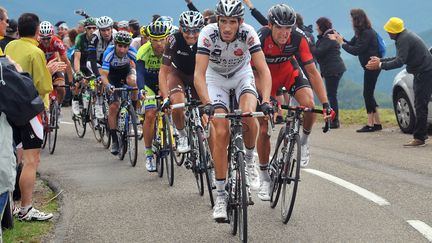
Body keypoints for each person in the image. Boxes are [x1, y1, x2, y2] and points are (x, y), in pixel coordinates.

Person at [194, 0, 272, 221]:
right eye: (223, 21)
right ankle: (220, 195)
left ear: (241, 22)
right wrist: (206, 102)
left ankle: (248, 159)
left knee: (249, 113)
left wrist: (265, 100)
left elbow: (263, 70)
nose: (227, 28)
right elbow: (199, 74)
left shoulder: (248, 34)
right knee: (220, 131)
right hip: (215, 78)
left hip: (241, 75)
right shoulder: (208, 34)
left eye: (232, 22)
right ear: (217, 20)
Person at [254, 4, 334, 200]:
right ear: (270, 25)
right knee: (263, 128)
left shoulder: (298, 37)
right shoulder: (260, 38)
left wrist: (325, 104)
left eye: (288, 28)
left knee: (308, 103)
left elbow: (313, 72)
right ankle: (264, 178)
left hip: (289, 73)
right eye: (280, 27)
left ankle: (304, 140)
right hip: (264, 80)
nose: (284, 33)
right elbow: (253, 73)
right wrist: (267, 100)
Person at [5, 12, 54, 221]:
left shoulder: (9, 47)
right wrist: (50, 70)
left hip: (8, 107)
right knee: (31, 160)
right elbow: (44, 86)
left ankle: (10, 206)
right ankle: (26, 208)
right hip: (31, 109)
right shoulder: (36, 51)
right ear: (36, 31)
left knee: (12, 156)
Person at [366, 17, 432, 147]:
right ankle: (421, 135)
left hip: (424, 73)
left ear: (394, 31)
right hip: (423, 72)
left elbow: (399, 62)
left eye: (389, 31)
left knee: (420, 105)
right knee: (420, 103)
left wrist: (379, 65)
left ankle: (419, 138)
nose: (388, 33)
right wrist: (381, 60)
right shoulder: (404, 36)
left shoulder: (403, 39)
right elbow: (400, 57)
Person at [159, 11, 205, 154]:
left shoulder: (206, 39)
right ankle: (182, 134)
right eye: (187, 30)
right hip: (177, 73)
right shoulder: (173, 39)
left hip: (198, 75)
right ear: (180, 28)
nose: (191, 34)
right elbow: (163, 71)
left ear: (201, 29)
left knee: (206, 107)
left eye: (196, 30)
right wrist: (166, 97)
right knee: (178, 103)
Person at [330, 9, 383, 133]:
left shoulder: (367, 33)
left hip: (372, 66)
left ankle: (370, 124)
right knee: (369, 93)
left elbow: (356, 50)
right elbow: (352, 43)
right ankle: (377, 123)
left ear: (357, 20)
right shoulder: (361, 32)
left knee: (367, 94)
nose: (351, 21)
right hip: (368, 66)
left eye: (352, 18)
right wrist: (340, 38)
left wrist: (341, 44)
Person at [136, 20, 171, 171]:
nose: (159, 44)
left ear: (167, 38)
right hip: (149, 84)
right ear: (149, 39)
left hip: (165, 81)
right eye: (155, 40)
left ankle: (173, 132)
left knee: (171, 107)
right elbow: (140, 74)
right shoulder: (143, 51)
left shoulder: (171, 49)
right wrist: (141, 89)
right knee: (150, 114)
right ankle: (149, 153)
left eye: (162, 39)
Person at [99, 31, 138, 155]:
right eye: (120, 46)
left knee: (134, 83)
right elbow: (104, 75)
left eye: (125, 46)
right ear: (115, 44)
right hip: (112, 77)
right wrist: (108, 85)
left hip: (126, 72)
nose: (122, 49)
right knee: (114, 106)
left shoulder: (132, 51)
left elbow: (141, 67)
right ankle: (115, 140)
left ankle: (134, 111)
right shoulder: (109, 53)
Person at [312, 17, 346, 128]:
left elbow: (318, 52)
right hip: (334, 69)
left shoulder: (328, 38)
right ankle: (334, 119)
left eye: (317, 26)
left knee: (332, 95)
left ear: (321, 26)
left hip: (333, 70)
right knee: (332, 95)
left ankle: (335, 121)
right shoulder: (329, 35)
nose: (316, 28)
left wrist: (309, 44)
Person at [38, 21, 73, 107]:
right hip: (42, 66)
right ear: (39, 37)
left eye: (48, 38)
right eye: (43, 38)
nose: (46, 41)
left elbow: (66, 62)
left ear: (52, 36)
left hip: (54, 66)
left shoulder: (56, 42)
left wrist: (71, 81)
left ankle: (58, 106)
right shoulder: (36, 43)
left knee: (61, 88)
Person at [72, 17, 98, 115]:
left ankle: (95, 104)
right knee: (79, 81)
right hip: (80, 62)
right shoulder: (80, 38)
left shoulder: (98, 38)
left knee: (95, 84)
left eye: (94, 28)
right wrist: (78, 72)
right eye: (89, 28)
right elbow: (77, 58)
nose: (92, 30)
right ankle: (75, 100)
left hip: (91, 63)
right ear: (85, 29)